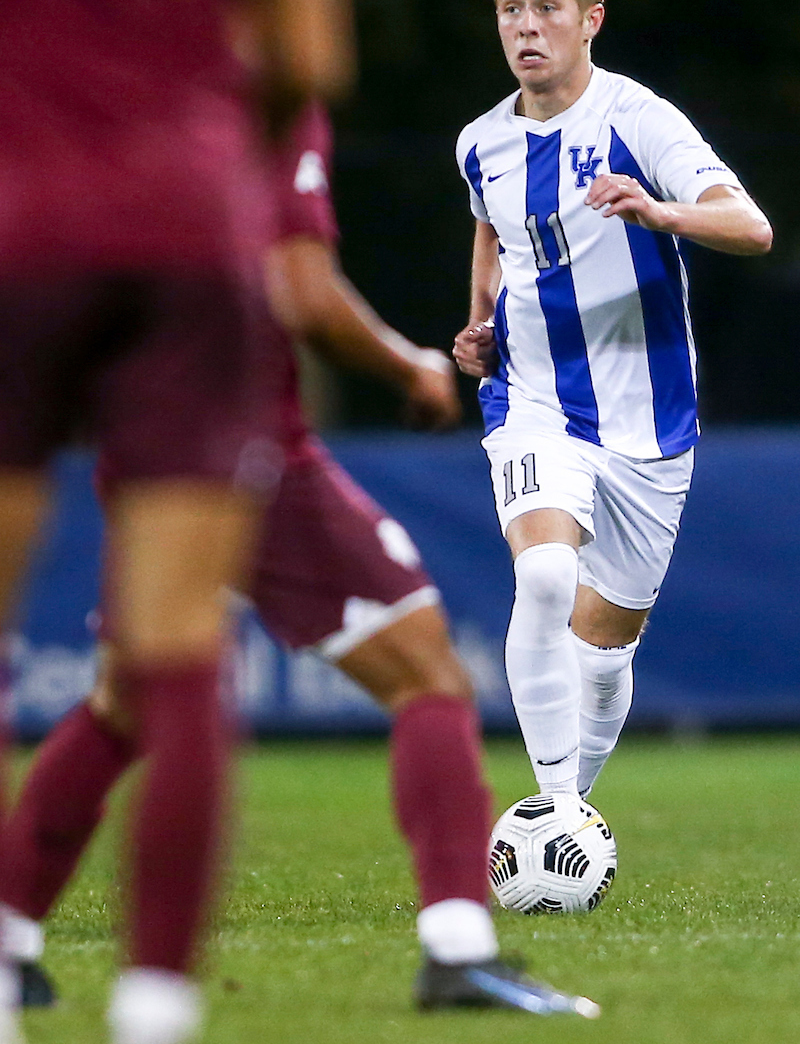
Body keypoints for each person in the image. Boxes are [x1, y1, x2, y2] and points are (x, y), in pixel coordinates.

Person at [0, 103, 600, 1022]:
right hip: (250, 453)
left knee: (124, 701)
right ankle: (457, 950)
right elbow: (302, 288)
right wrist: (409, 366)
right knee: (428, 673)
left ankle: (9, 947)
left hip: (142, 450)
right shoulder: (259, 98)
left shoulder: (118, 114)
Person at [0, 0, 353, 1042]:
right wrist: (202, 150)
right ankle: (155, 1012)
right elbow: (308, 54)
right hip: (189, 226)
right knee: (177, 647)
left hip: (15, 227)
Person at [452, 0, 772, 817]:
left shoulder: (639, 119)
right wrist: (478, 322)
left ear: (590, 19)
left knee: (603, 656)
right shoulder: (482, 143)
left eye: (545, 7)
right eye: (511, 10)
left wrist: (656, 209)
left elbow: (751, 228)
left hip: (649, 418)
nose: (525, 27)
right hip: (533, 399)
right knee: (546, 578)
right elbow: (492, 229)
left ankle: (570, 810)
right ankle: (552, 813)